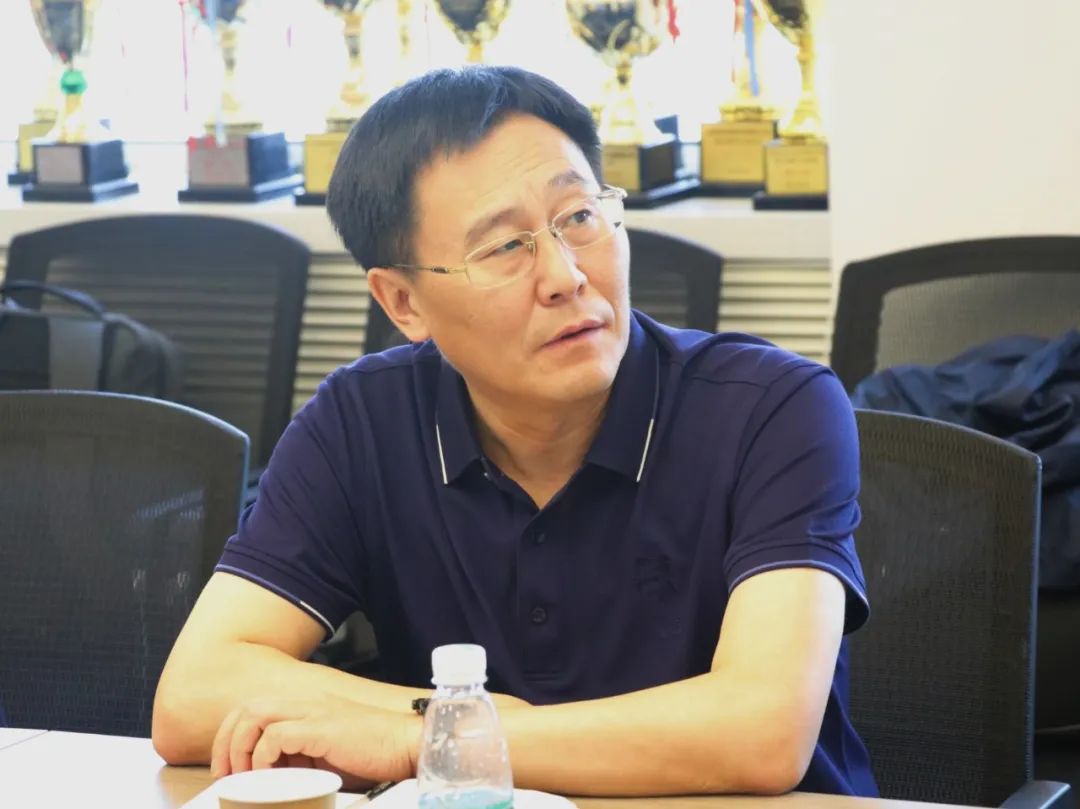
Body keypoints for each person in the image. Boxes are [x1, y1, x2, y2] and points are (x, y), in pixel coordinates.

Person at [152, 65, 877, 798]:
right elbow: (193, 695)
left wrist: (433, 736)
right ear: (403, 302)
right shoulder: (359, 422)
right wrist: (484, 722)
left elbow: (763, 730)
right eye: (504, 247)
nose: (565, 275)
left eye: (580, 217)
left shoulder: (774, 409)